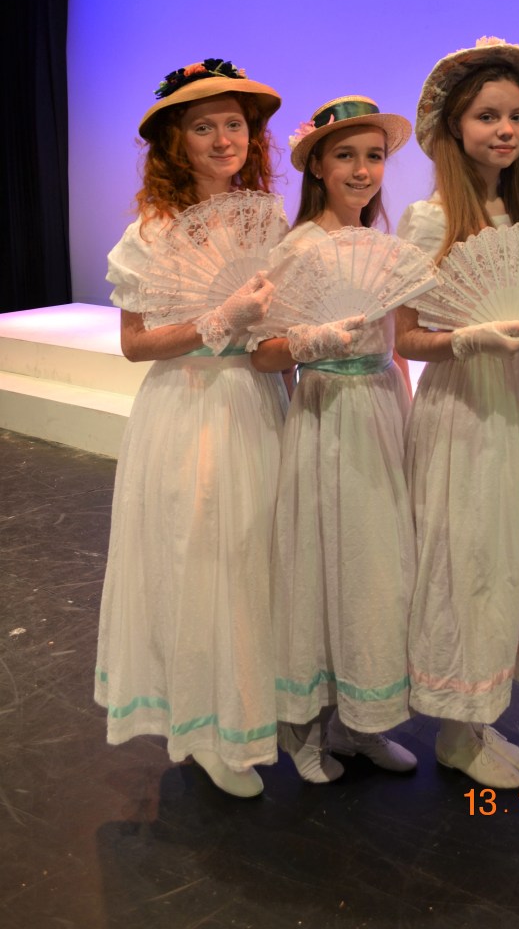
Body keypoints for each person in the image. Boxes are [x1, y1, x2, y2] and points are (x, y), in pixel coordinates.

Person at [95, 59, 288, 798]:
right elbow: (136, 344)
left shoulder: (267, 221)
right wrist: (217, 320)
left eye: (233, 124)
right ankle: (203, 728)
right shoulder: (151, 233)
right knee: (199, 559)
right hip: (187, 407)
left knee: (253, 558)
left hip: (255, 402)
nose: (222, 139)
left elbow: (275, 328)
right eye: (203, 127)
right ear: (176, 143)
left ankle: (249, 710)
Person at [394, 36, 519, 788]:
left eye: (516, 117)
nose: (505, 130)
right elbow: (404, 338)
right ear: (455, 127)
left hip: (517, 401)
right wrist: (468, 339)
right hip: (461, 408)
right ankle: (454, 730)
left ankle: (479, 715)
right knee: (463, 560)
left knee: (503, 559)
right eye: (488, 116)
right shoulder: (428, 219)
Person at [251, 95, 418, 782]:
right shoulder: (297, 248)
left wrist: (406, 401)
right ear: (317, 166)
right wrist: (310, 341)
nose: (361, 170)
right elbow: (262, 351)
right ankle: (306, 728)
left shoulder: (381, 246)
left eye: (373, 156)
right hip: (326, 412)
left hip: (380, 406)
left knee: (377, 570)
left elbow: (396, 341)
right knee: (325, 563)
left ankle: (362, 721)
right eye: (345, 155)